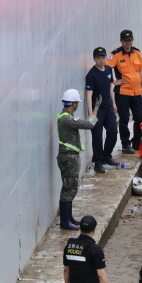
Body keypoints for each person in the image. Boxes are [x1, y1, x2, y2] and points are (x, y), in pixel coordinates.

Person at [57, 89, 100, 230]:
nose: (77, 105)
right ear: (74, 103)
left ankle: (68, 218)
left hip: (69, 156)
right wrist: (95, 111)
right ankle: (65, 222)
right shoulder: (67, 118)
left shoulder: (65, 116)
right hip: (69, 157)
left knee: (70, 188)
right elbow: (88, 125)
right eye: (77, 103)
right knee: (69, 189)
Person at [106, 30, 142, 154]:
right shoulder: (115, 54)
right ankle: (125, 143)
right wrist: (113, 81)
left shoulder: (137, 52)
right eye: (125, 40)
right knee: (124, 119)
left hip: (136, 92)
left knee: (140, 118)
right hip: (122, 93)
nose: (128, 43)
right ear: (121, 41)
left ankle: (136, 142)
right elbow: (105, 69)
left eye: (130, 40)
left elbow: (141, 71)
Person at [86, 47, 120, 173]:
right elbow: (88, 95)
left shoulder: (108, 69)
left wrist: (114, 103)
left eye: (103, 57)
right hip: (97, 110)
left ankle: (107, 156)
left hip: (109, 107)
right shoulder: (91, 74)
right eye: (99, 58)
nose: (102, 60)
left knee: (113, 132)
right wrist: (91, 113)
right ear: (94, 59)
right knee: (97, 137)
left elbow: (110, 86)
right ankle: (98, 162)